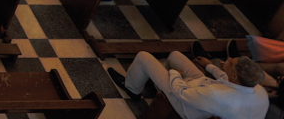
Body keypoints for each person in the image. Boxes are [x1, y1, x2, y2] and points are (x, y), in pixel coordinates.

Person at [109, 50, 267, 119]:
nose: (226, 61)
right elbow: (225, 78)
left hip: (186, 106)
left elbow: (181, 93)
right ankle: (155, 80)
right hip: (203, 90)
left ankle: (132, 89)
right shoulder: (258, 89)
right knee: (175, 55)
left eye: (230, 62)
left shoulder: (218, 96)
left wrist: (175, 74)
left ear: (235, 75)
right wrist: (208, 66)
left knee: (143, 57)